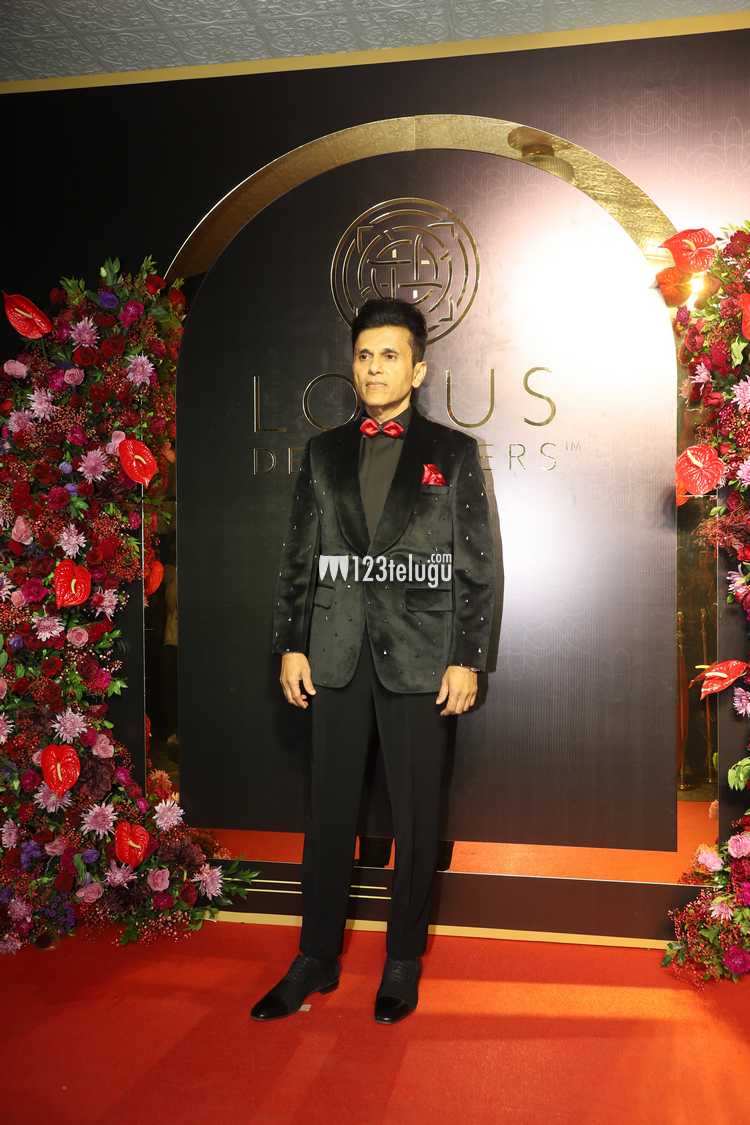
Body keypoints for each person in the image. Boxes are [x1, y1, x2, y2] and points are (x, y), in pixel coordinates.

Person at [251, 297, 499, 1024]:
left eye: (390, 355)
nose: (374, 368)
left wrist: (467, 658)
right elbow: (298, 557)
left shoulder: (453, 453)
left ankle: (401, 960)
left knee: (417, 816)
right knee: (328, 813)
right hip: (334, 654)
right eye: (364, 355)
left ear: (417, 369)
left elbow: (476, 566)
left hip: (421, 659)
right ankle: (316, 956)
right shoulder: (322, 453)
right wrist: (291, 643)